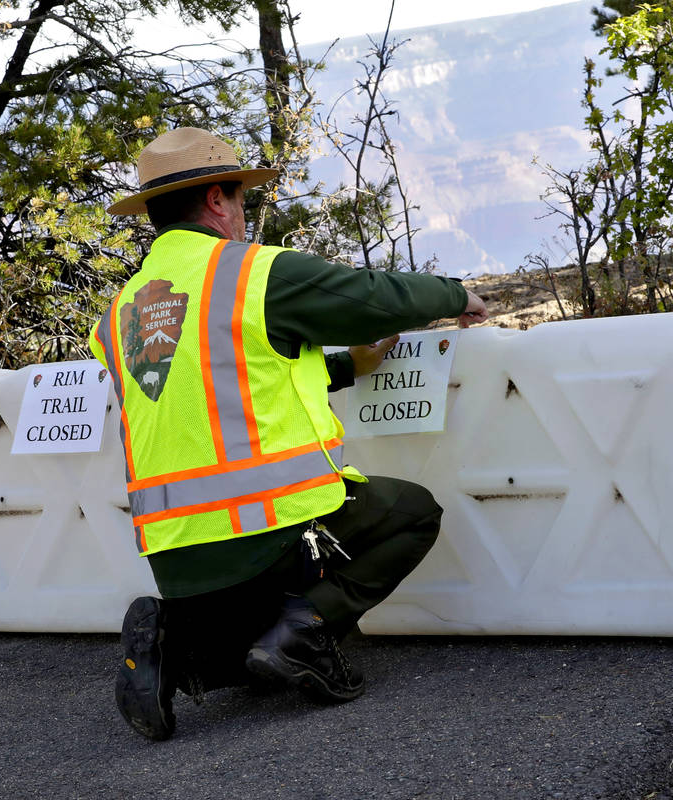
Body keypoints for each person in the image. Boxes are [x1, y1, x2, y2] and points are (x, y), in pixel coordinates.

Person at [88, 127, 487, 741]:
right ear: (217, 199)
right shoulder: (251, 275)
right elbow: (375, 299)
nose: (243, 213)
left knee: (250, 650)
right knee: (411, 511)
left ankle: (175, 644)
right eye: (241, 199)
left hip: (173, 555)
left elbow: (231, 385)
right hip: (263, 534)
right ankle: (307, 633)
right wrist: (456, 294)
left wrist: (348, 367)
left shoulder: (122, 312)